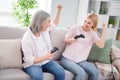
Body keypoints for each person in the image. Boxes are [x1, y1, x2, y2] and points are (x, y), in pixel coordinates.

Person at [21, 4, 65, 80]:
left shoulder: (44, 30)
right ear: (41, 22)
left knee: (61, 72)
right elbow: (29, 59)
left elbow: (54, 24)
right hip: (32, 64)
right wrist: (46, 57)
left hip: (46, 62)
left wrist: (58, 11)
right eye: (48, 22)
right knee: (38, 76)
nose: (49, 24)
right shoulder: (27, 38)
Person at [60, 13, 106, 80]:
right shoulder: (75, 28)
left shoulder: (93, 34)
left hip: (81, 60)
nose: (85, 24)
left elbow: (101, 45)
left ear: (93, 25)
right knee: (81, 73)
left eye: (89, 23)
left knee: (95, 72)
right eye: (85, 21)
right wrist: (73, 39)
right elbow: (65, 40)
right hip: (67, 59)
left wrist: (104, 30)